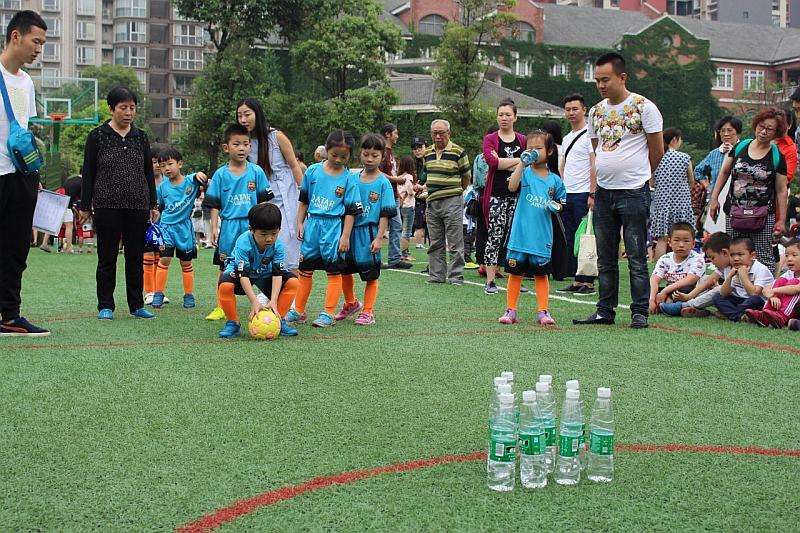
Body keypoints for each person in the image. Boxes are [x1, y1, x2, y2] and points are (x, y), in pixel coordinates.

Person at [574, 52, 664, 329]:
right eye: (597, 80)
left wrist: (645, 179)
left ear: (622, 77)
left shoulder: (644, 106)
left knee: (636, 255)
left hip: (634, 191)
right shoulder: (596, 111)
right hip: (603, 192)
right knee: (605, 255)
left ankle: (639, 312)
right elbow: (595, 148)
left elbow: (657, 149)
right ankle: (605, 310)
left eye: (606, 79)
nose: (601, 85)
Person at [79, 86, 158, 321]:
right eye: (123, 108)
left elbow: (148, 173)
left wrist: (153, 204)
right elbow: (89, 172)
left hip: (137, 206)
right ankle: (105, 305)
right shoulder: (97, 136)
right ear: (111, 108)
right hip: (106, 206)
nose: (128, 113)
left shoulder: (141, 137)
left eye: (132, 108)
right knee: (107, 257)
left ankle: (136, 305)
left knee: (135, 257)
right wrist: (85, 206)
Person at [0, 11, 49, 336]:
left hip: (21, 176)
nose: (38, 50)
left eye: (43, 44)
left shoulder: (27, 82)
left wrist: (34, 172)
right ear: (15, 36)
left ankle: (9, 314)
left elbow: (26, 130)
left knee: (17, 247)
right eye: (36, 41)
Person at [285, 130, 362, 328]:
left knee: (334, 272)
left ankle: (328, 313)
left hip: (333, 227)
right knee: (305, 270)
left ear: (349, 156)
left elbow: (351, 211)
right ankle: (298, 310)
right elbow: (303, 200)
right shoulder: (312, 171)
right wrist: (300, 222)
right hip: (312, 226)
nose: (338, 159)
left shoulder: (349, 178)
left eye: (343, 157)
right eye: (334, 154)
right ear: (326, 150)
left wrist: (345, 236)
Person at [203, 123, 274, 320]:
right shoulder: (220, 174)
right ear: (226, 147)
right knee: (225, 267)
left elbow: (265, 202)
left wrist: (266, 227)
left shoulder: (256, 172)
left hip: (253, 228)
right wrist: (214, 227)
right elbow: (215, 204)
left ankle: (268, 302)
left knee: (261, 263)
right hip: (229, 226)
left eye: (245, 144)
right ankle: (221, 306)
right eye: (236, 144)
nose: (242, 148)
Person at [498, 130, 566, 326]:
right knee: (515, 273)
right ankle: (510, 310)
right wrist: (521, 163)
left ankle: (543, 312)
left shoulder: (555, 180)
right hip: (520, 236)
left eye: (538, 148)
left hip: (541, 237)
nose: (533, 152)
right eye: (529, 148)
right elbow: (512, 186)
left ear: (550, 151)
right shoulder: (525, 173)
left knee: (541, 274)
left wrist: (556, 206)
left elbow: (562, 202)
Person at [709, 107, 789, 271]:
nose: (764, 132)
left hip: (763, 216)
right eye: (761, 126)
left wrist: (781, 220)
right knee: (735, 255)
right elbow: (724, 173)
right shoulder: (740, 147)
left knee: (763, 257)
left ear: (776, 133)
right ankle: (736, 293)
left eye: (769, 129)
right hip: (735, 212)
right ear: (755, 125)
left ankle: (764, 293)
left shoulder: (777, 157)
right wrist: (714, 199)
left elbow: (781, 191)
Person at [335, 133, 396, 326]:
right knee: (344, 270)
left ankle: (368, 311)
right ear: (360, 153)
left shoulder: (383, 182)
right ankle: (351, 303)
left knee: (371, 274)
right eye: (366, 154)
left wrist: (379, 238)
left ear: (382, 157)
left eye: (375, 155)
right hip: (348, 232)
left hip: (369, 233)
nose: (369, 159)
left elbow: (385, 213)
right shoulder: (352, 177)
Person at [237, 98, 303, 271]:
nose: (243, 120)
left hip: (287, 196)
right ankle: (268, 291)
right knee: (265, 242)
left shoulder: (276, 137)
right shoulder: (244, 142)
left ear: (257, 114)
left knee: (289, 243)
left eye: (247, 114)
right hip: (262, 199)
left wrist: (304, 196)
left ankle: (291, 294)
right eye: (239, 116)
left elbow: (294, 165)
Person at [216, 202, 299, 339]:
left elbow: (277, 274)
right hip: (242, 273)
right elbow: (243, 275)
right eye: (263, 234)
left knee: (293, 282)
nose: (269, 238)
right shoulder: (243, 242)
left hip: (265, 273)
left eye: (274, 233)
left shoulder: (278, 246)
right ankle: (233, 323)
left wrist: (273, 300)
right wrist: (254, 301)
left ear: (279, 229)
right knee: (225, 285)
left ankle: (279, 320)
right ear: (252, 230)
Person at [150, 147, 208, 309]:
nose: (167, 169)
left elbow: (201, 177)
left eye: (170, 164)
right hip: (166, 228)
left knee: (186, 263)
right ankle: (158, 293)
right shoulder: (161, 187)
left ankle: (189, 295)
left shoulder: (191, 181)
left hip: (184, 229)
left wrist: (200, 175)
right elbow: (159, 207)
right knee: (164, 260)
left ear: (180, 164)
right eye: (162, 166)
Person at [419, 119, 471, 285]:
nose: (438, 136)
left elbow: (466, 177)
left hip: (452, 201)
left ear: (449, 133)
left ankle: (456, 276)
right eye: (435, 133)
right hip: (432, 201)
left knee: (455, 242)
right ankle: (436, 276)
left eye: (441, 133)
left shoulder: (458, 152)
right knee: (435, 242)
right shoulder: (427, 153)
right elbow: (427, 175)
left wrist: (457, 192)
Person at [482, 99, 525, 294]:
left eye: (508, 114)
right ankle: (490, 281)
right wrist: (520, 161)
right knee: (495, 236)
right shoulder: (490, 139)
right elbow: (493, 162)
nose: (504, 118)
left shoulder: (523, 140)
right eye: (500, 114)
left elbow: (531, 162)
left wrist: (504, 161)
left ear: (515, 117)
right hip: (496, 195)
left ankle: (515, 280)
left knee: (515, 237)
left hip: (518, 196)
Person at [558, 93, 597, 295]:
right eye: (568, 109)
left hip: (584, 193)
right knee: (571, 237)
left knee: (585, 237)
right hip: (568, 194)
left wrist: (592, 193)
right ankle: (576, 278)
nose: (571, 113)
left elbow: (594, 164)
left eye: (575, 109)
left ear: (584, 110)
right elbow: (563, 165)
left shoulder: (590, 135)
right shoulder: (566, 138)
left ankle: (588, 281)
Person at [659, 231, 731, 318]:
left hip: (740, 301)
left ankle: (684, 306)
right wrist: (689, 296)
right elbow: (707, 282)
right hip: (728, 300)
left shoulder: (737, 267)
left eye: (713, 258)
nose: (712, 262)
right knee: (705, 279)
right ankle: (702, 311)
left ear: (725, 253)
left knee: (719, 290)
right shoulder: (723, 267)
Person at [649, 128, 695, 260]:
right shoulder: (684, 158)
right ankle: (683, 266)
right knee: (684, 238)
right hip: (681, 203)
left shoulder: (656, 157)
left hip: (661, 204)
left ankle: (659, 270)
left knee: (662, 240)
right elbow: (691, 181)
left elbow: (652, 183)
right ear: (675, 139)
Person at [694, 116, 742, 235]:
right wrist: (708, 185)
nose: (726, 134)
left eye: (730, 130)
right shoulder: (715, 154)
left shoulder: (745, 151)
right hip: (716, 200)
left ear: (737, 132)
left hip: (738, 202)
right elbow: (698, 171)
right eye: (722, 130)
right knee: (713, 235)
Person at [647, 222, 705, 315]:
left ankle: (677, 307)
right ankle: (666, 306)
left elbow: (690, 280)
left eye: (686, 241)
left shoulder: (698, 259)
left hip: (691, 293)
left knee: (685, 288)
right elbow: (655, 279)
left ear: (693, 243)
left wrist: (666, 291)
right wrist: (652, 299)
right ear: (669, 242)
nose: (681, 245)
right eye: (676, 240)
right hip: (671, 291)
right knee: (647, 289)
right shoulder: (665, 259)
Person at [712, 237, 774, 322]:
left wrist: (743, 275)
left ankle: (730, 314)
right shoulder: (734, 268)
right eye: (732, 255)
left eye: (740, 254)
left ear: (752, 256)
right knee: (717, 297)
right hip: (741, 300)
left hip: (759, 302)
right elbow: (723, 293)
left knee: (754, 300)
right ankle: (740, 316)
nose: (735, 258)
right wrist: (730, 277)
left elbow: (754, 293)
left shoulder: (761, 269)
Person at [745, 238, 800, 328]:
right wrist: (772, 296)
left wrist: (774, 291)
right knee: (780, 281)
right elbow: (766, 289)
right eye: (786, 256)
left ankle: (781, 317)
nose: (789, 259)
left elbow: (796, 288)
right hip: (782, 306)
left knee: (793, 282)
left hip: (796, 308)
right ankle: (765, 315)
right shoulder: (789, 273)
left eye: (794, 255)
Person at [379, 123, 412, 270]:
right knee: (379, 226)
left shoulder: (390, 152)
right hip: (383, 195)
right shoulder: (382, 151)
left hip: (393, 194)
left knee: (397, 226)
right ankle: (377, 258)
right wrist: (397, 180)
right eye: (395, 133)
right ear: (388, 134)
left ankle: (394, 258)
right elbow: (378, 173)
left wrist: (397, 186)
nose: (397, 136)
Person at [144, 148, 165, 305]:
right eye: (154, 162)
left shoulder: (167, 181)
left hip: (163, 225)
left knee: (160, 258)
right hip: (146, 223)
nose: (157, 165)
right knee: (148, 257)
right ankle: (148, 291)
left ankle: (159, 291)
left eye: (160, 162)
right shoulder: (143, 179)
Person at [397, 155, 416, 261]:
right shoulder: (409, 177)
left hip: (400, 204)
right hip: (408, 205)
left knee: (400, 229)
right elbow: (411, 192)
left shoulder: (398, 176)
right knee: (407, 230)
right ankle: (404, 253)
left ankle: (400, 252)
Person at [411, 136, 428, 250]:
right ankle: (418, 244)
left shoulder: (432, 161)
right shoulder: (415, 164)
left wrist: (423, 187)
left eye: (420, 147)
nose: (417, 150)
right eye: (414, 148)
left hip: (431, 197)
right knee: (419, 224)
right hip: (419, 199)